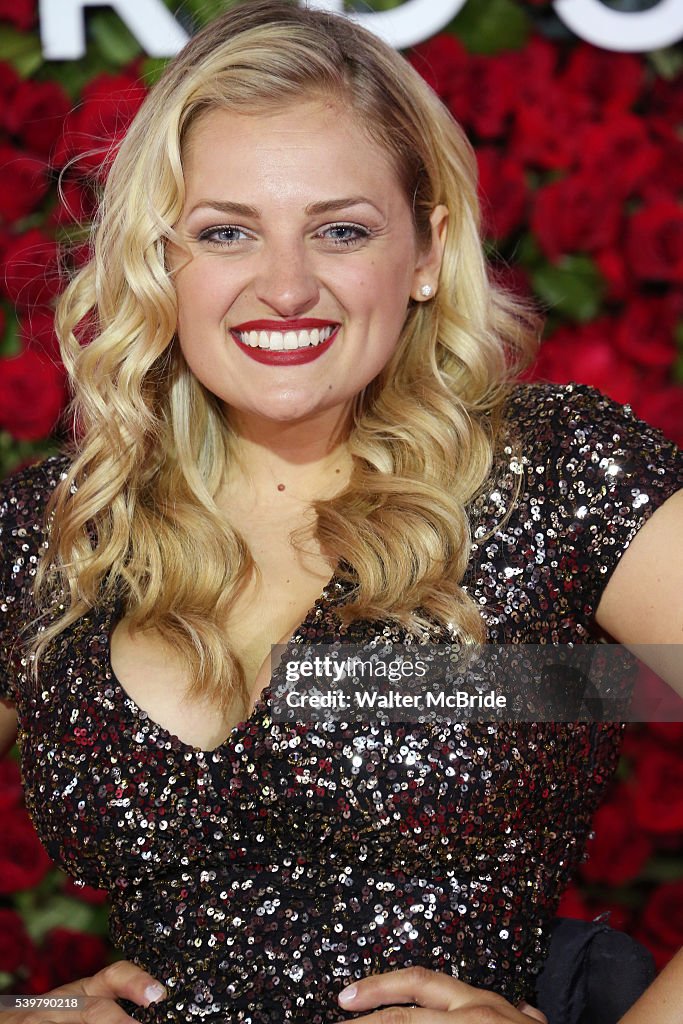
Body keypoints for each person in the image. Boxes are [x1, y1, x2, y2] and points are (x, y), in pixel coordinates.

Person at [0, 2, 681, 1022]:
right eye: (225, 232)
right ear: (158, 258)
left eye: (340, 231)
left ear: (423, 251)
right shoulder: (53, 528)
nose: (284, 287)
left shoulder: (554, 476)